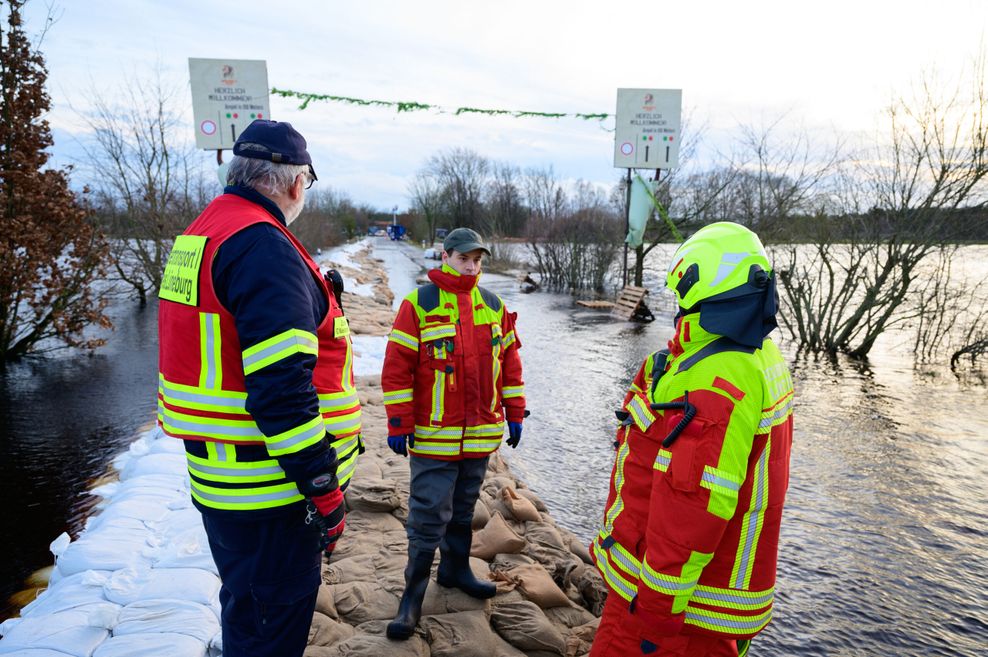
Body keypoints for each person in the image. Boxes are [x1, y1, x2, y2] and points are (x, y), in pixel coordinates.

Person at [157, 119, 363, 657]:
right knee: (273, 623)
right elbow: (280, 390)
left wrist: (317, 295)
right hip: (270, 487)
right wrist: (323, 486)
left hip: (221, 475)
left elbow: (222, 332)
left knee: (247, 604)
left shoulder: (204, 231)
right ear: (296, 183)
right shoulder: (263, 245)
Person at [589, 222, 794, 657]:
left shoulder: (714, 380)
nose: (678, 305)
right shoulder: (757, 354)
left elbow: (692, 505)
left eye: (682, 295)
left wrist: (657, 611)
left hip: (676, 614)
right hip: (715, 602)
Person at [381, 227, 527, 640]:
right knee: (428, 516)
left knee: (463, 510)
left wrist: (515, 411)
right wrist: (398, 421)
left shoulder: (494, 306)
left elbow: (510, 366)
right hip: (434, 437)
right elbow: (397, 369)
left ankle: (455, 570)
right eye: (465, 258)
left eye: (478, 260)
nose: (472, 266)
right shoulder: (419, 304)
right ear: (445, 256)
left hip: (480, 435)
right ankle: (411, 597)